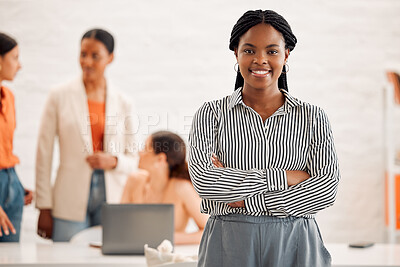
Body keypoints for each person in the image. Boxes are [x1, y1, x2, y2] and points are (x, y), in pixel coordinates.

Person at [188, 10, 340, 267]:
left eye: (271, 51)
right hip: (228, 241)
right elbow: (205, 182)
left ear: (286, 54)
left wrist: (242, 198)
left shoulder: (313, 117)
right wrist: (287, 177)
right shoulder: (210, 114)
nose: (260, 60)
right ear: (236, 53)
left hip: (296, 240)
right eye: (249, 50)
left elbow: (326, 189)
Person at [35, 28, 136, 242]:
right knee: (66, 259)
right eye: (83, 54)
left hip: (112, 198)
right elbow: (44, 153)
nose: (87, 62)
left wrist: (114, 161)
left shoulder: (123, 101)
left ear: (110, 58)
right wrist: (44, 206)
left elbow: (135, 158)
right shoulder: (58, 95)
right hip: (68, 197)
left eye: (95, 56)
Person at [121, 131, 208, 245]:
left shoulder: (182, 188)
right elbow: (120, 224)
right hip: (130, 253)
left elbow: (209, 231)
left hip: (166, 257)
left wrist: (166, 239)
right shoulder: (134, 180)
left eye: (145, 149)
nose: (139, 152)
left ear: (160, 159)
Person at [0, 32, 33, 242]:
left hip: (10, 179)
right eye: (15, 57)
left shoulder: (9, 97)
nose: (19, 65)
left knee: (11, 257)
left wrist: (15, 184)